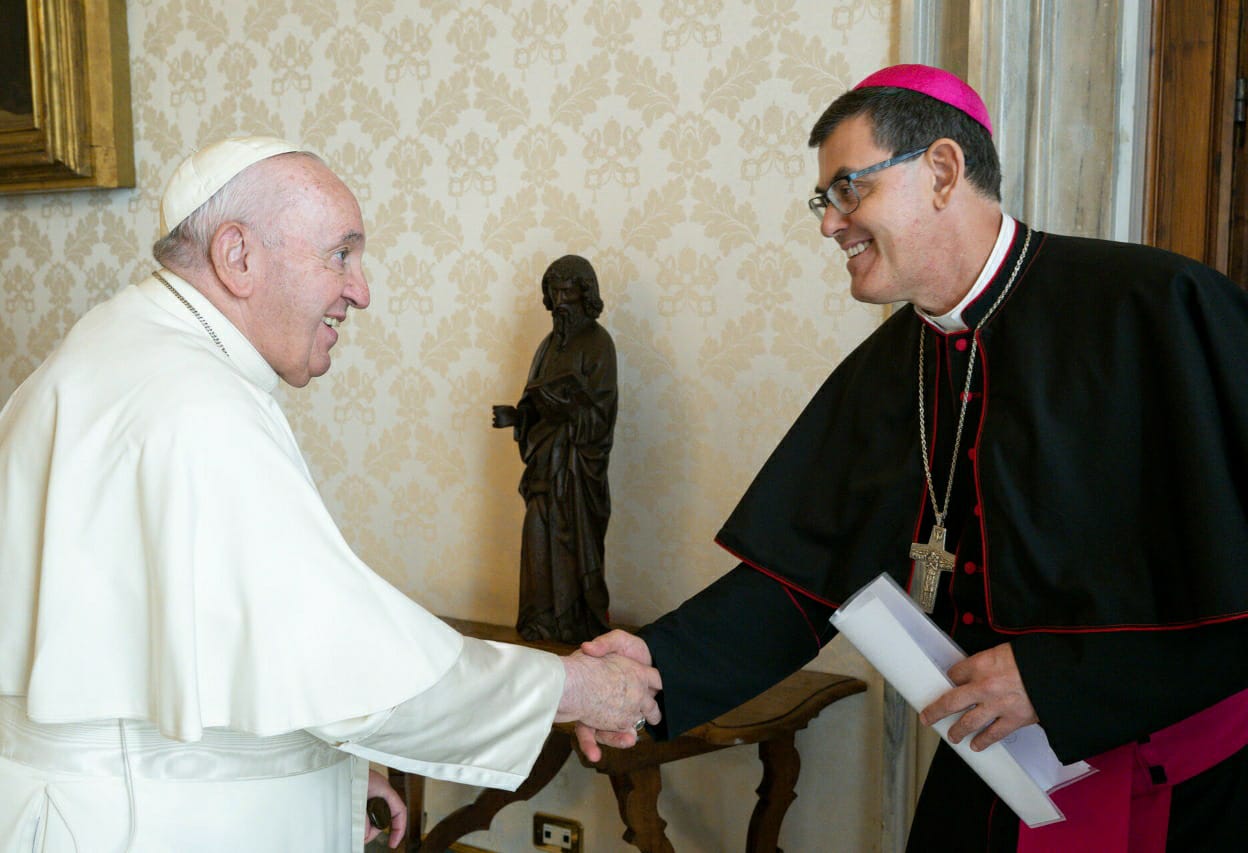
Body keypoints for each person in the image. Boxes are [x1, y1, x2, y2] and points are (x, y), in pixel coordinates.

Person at [580, 65, 1248, 850]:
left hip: (1179, 789)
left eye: (847, 190)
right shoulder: (892, 369)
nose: (830, 224)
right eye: (823, 202)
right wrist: (655, 665)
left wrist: (1060, 680)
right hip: (1002, 772)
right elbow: (799, 582)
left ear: (941, 170)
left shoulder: (1160, 308)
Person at [0, 136, 661, 852]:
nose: (361, 289)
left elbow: (221, 638)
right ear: (238, 256)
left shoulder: (116, 346)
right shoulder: (195, 405)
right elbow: (352, 657)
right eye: (340, 254)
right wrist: (577, 688)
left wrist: (327, 768)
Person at [493, 255, 617, 644]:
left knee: (572, 548)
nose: (561, 301)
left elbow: (601, 416)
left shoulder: (599, 344)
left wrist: (569, 409)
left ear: (585, 295)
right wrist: (517, 417)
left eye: (568, 292)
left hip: (578, 476)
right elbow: (534, 402)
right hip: (545, 470)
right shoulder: (547, 346)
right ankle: (539, 622)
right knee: (537, 540)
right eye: (554, 292)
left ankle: (575, 623)